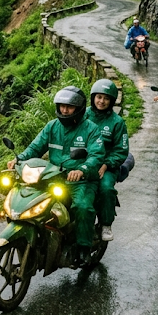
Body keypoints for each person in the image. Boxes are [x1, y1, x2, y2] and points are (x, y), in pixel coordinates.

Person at [7, 86, 105, 262]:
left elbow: (96, 155)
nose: (65, 110)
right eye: (62, 106)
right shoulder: (52, 126)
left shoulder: (91, 129)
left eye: (69, 107)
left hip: (81, 181)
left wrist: (81, 170)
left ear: (79, 108)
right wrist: (19, 159)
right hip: (53, 177)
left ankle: (83, 247)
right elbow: (35, 147)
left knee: (82, 206)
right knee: (32, 201)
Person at [85, 79, 128, 242]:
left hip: (107, 166)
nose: (101, 101)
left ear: (111, 101)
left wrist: (106, 165)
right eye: (99, 97)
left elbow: (121, 150)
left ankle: (106, 224)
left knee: (105, 189)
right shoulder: (83, 115)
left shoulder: (117, 122)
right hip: (81, 162)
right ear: (93, 97)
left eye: (106, 98)